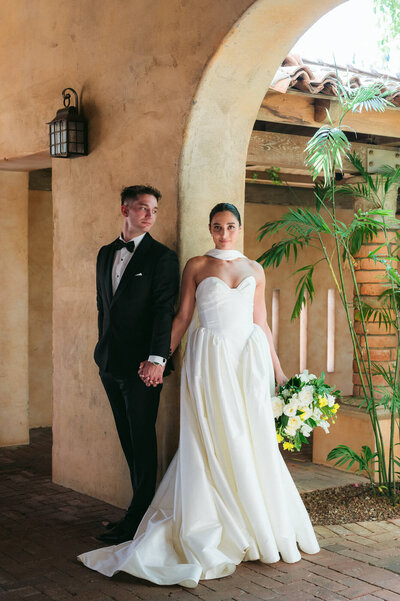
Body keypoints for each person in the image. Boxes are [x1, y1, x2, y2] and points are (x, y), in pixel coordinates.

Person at [79, 202, 320, 586]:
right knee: (210, 435)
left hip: (248, 362)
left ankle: (255, 519)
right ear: (210, 229)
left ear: (240, 228)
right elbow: (182, 318)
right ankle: (212, 517)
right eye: (216, 227)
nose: (223, 234)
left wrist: (278, 371)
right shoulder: (196, 265)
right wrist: (159, 359)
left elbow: (262, 324)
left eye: (229, 227)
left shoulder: (254, 269)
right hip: (209, 359)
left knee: (250, 436)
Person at [94, 184, 179, 545]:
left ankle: (139, 520)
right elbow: (104, 308)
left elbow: (164, 312)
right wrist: (102, 354)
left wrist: (157, 360)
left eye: (154, 210)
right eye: (143, 208)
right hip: (110, 363)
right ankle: (137, 513)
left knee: (142, 442)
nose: (149, 215)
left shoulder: (162, 258)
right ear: (124, 210)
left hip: (145, 368)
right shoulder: (104, 253)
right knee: (128, 441)